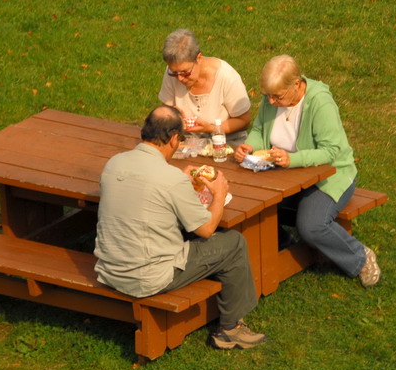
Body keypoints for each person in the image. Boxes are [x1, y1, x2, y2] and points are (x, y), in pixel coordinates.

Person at [94, 105, 267, 350]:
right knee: (233, 243)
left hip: (109, 269)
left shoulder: (114, 163)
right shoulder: (170, 178)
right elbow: (206, 229)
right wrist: (219, 193)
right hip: (146, 278)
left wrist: (181, 185)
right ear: (174, 138)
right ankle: (230, 329)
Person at [234, 55, 381, 288]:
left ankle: (360, 257)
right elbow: (260, 129)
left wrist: (292, 159)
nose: (271, 101)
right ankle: (284, 244)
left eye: (277, 97)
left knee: (311, 225)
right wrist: (250, 146)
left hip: (329, 176)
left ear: (296, 84)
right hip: (283, 174)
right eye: (268, 96)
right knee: (249, 207)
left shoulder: (320, 102)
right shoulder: (272, 97)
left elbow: (331, 151)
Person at [159, 29, 251, 147]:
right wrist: (173, 115)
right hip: (187, 144)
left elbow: (244, 121)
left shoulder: (227, 77)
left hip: (226, 145)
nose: (180, 78)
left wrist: (212, 128)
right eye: (174, 73)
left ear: (199, 58)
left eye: (185, 72)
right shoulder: (172, 72)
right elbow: (165, 110)